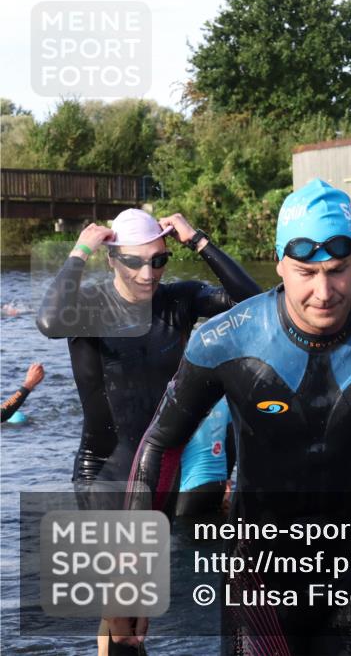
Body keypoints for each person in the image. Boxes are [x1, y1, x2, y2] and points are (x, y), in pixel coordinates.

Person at [116, 179, 351, 654]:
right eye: (306, 271)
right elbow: (162, 443)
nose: (324, 291)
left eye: (339, 270)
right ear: (280, 263)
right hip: (259, 577)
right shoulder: (225, 339)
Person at [35, 208, 260, 655]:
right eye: (136, 261)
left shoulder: (179, 301)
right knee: (123, 607)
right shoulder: (89, 307)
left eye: (158, 260)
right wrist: (79, 249)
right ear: (113, 259)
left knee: (137, 609)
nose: (148, 272)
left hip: (157, 468)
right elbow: (48, 321)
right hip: (105, 467)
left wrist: (199, 241)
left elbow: (254, 304)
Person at [176, 398, 236, 517]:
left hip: (191, 486)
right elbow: (231, 444)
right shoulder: (224, 400)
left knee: (182, 533)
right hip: (219, 485)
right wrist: (227, 479)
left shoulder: (182, 397)